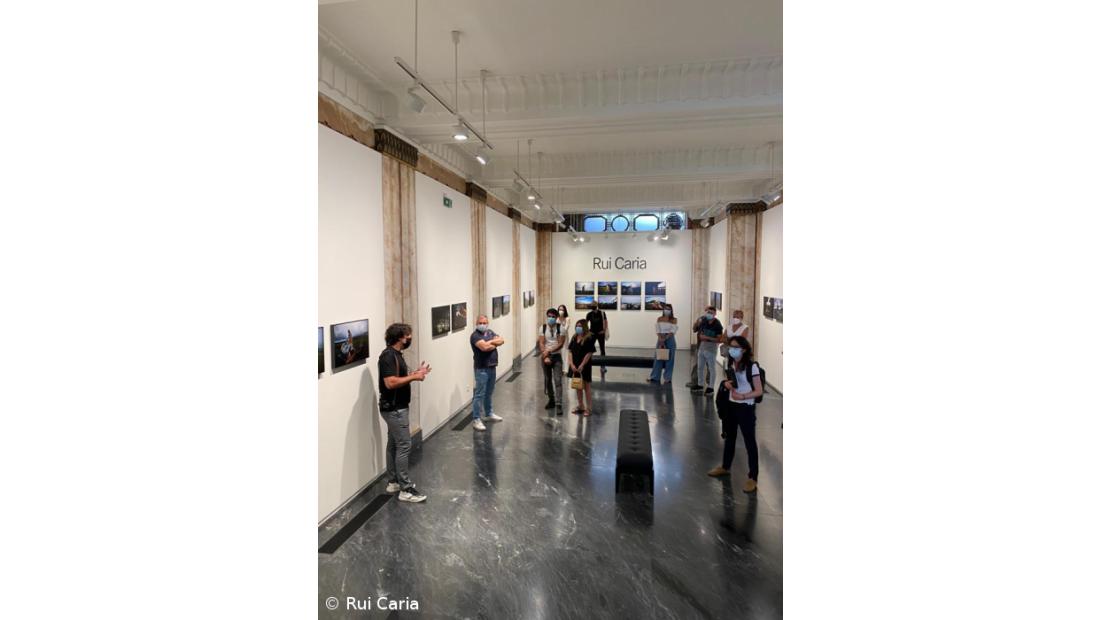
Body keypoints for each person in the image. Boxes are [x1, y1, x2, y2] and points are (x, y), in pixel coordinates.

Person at [378, 323, 430, 503]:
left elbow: (399, 377)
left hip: (396, 408)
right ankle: (405, 489)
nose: (410, 338)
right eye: (408, 335)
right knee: (404, 445)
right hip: (394, 409)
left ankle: (393, 482)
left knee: (394, 443)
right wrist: (414, 377)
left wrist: (416, 372)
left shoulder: (396, 355)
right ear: (400, 337)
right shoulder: (388, 356)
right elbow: (390, 383)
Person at [708, 335, 763, 493]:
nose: (732, 349)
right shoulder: (731, 362)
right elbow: (732, 382)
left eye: (735, 347)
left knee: (749, 442)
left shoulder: (752, 367)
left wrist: (743, 396)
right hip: (731, 405)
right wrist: (727, 384)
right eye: (730, 346)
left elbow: (759, 391)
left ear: (743, 349)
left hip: (746, 407)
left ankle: (753, 477)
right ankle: (725, 467)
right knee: (730, 437)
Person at [469, 315, 506, 432]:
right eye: (480, 322)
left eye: (484, 323)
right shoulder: (475, 336)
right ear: (476, 323)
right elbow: (484, 348)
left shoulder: (490, 332)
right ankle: (476, 419)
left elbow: (502, 340)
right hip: (482, 369)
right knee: (479, 394)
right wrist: (494, 343)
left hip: (492, 367)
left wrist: (490, 342)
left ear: (488, 323)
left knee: (489, 392)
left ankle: (488, 413)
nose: (482, 325)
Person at [689, 306, 724, 394]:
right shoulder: (703, 320)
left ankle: (710, 387)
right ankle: (700, 385)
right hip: (702, 347)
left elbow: (719, 339)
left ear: (715, 314)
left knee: (711, 368)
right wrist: (697, 324)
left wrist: (707, 338)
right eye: (708, 312)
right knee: (700, 367)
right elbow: (696, 329)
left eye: (711, 313)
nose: (709, 314)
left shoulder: (717, 324)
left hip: (711, 349)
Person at [538, 307, 566, 415]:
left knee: (558, 380)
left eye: (553, 317)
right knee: (548, 379)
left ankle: (559, 404)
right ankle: (551, 400)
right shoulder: (543, 328)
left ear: (557, 317)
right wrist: (545, 356)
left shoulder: (560, 328)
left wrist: (549, 352)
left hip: (556, 356)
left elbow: (560, 344)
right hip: (545, 356)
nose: (551, 318)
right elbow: (541, 343)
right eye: (549, 316)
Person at [567, 319, 597, 416]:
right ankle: (581, 406)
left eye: (580, 326)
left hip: (584, 366)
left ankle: (589, 408)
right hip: (574, 366)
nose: (578, 327)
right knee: (577, 386)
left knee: (586, 387)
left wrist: (582, 365)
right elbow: (570, 351)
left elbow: (589, 353)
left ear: (584, 327)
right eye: (577, 326)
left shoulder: (589, 338)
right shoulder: (574, 337)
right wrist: (571, 364)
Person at [647, 303, 678, 384]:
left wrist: (665, 338)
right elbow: (657, 329)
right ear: (663, 310)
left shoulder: (674, 319)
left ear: (671, 310)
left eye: (668, 309)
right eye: (665, 309)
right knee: (658, 358)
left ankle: (667, 378)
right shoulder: (659, 319)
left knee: (670, 359)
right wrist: (660, 338)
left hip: (670, 339)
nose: (667, 310)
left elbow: (673, 331)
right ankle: (655, 377)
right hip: (660, 339)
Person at [585, 306, 610, 374]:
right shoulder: (589, 314)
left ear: (596, 306)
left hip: (600, 334)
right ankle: (586, 364)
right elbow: (585, 323)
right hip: (592, 334)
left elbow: (606, 322)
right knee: (589, 349)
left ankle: (603, 366)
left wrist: (604, 330)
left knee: (602, 349)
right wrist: (588, 331)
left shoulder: (602, 313)